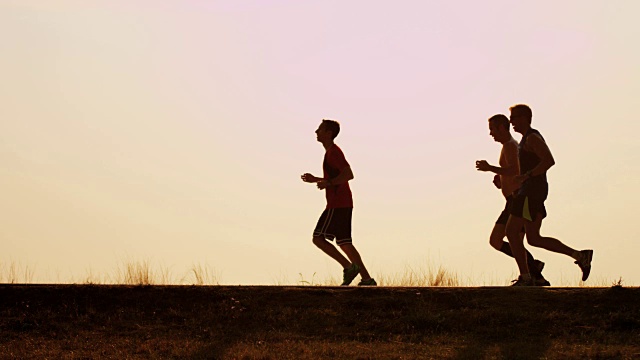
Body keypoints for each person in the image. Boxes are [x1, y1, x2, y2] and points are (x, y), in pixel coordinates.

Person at [505, 104, 593, 286]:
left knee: (511, 232)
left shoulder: (532, 138)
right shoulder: (525, 140)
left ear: (524, 118)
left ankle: (527, 278)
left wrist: (527, 176)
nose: (511, 121)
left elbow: (549, 160)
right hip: (530, 190)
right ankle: (580, 255)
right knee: (534, 238)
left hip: (532, 192)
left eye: (514, 117)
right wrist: (519, 181)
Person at [301, 119, 377, 286]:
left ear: (328, 133)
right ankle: (367, 279)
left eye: (319, 129)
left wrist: (327, 183)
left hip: (337, 204)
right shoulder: (330, 152)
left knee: (318, 238)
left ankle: (348, 267)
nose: (316, 132)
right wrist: (318, 180)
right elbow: (337, 178)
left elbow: (349, 174)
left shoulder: (334, 152)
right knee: (345, 242)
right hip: (343, 203)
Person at [476, 114, 550, 286]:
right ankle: (533, 268)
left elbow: (515, 170)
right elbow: (511, 172)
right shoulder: (507, 146)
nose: (491, 134)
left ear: (502, 128)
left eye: (492, 129)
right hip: (511, 200)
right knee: (502, 240)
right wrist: (500, 180)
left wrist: (490, 168)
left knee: (507, 238)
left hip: (517, 199)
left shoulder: (511, 146)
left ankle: (533, 272)